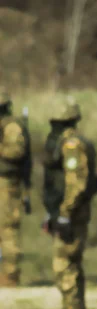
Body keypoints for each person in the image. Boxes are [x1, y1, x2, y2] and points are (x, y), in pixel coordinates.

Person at [42, 95, 96, 309]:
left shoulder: (71, 145)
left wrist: (64, 214)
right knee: (70, 264)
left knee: (64, 265)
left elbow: (76, 184)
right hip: (66, 212)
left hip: (71, 215)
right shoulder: (64, 143)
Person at [0, 87, 30, 287]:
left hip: (6, 183)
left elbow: (16, 152)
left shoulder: (12, 127)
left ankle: (10, 275)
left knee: (8, 228)